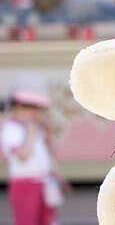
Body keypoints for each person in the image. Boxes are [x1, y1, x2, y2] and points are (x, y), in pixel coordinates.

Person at [1, 85, 63, 225]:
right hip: (24, 183)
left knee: (48, 220)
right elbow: (23, 156)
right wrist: (30, 131)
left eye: (37, 109)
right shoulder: (11, 129)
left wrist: (48, 134)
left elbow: (48, 154)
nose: (34, 113)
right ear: (17, 107)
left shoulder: (37, 128)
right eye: (28, 107)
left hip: (44, 181)